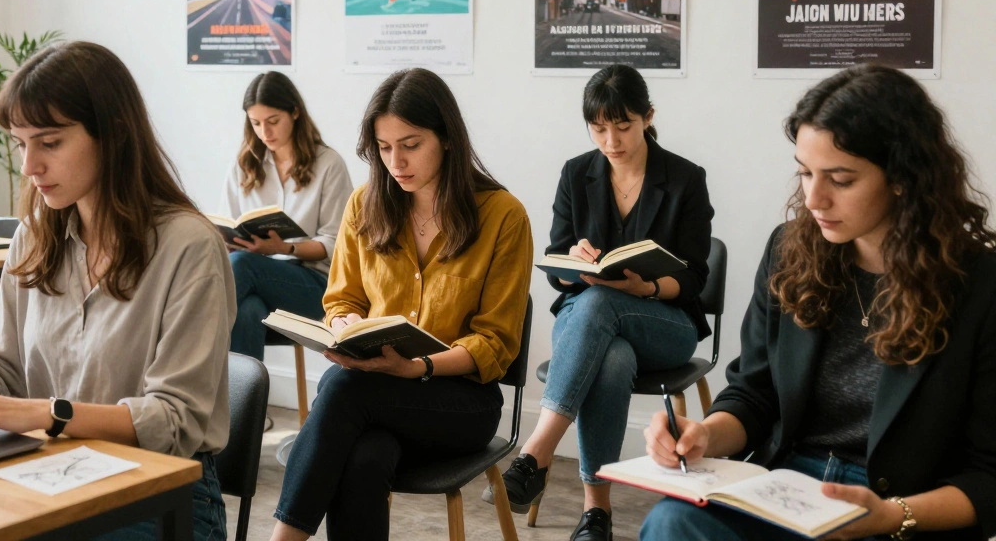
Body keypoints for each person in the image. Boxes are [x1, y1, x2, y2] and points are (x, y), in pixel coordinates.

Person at [0, 42, 236, 541]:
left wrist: (47, 413)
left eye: (49, 143)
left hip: (160, 493)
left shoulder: (189, 246)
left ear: (112, 135)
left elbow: (174, 420)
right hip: (48, 474)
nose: (29, 166)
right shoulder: (35, 236)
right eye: (20, 143)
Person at [641, 64, 996, 541]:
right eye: (805, 173)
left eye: (841, 180)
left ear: (903, 177)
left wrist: (892, 516)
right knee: (672, 521)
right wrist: (705, 435)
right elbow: (754, 394)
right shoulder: (790, 252)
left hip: (900, 510)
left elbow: (988, 474)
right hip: (789, 490)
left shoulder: (979, 284)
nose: (813, 199)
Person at [270, 68, 533, 541]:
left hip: (462, 402)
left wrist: (418, 368)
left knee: (344, 389)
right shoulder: (364, 204)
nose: (396, 160)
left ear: (447, 138)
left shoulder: (503, 216)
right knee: (366, 456)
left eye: (410, 145)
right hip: (378, 396)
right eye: (384, 147)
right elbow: (343, 297)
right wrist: (347, 323)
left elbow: (495, 343)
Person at [483, 64, 714, 541]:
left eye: (624, 126)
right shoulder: (576, 174)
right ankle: (596, 513)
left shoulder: (686, 178)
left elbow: (694, 279)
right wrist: (573, 260)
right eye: (599, 128)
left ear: (648, 116)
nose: (611, 140)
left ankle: (536, 454)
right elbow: (557, 266)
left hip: (665, 322)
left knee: (602, 304)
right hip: (590, 323)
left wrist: (646, 288)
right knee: (611, 357)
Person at [221, 71, 352, 362]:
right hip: (253, 279)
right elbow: (228, 227)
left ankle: (193, 330)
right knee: (249, 309)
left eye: (273, 121)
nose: (265, 132)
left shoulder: (328, 164)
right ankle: (244, 407)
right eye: (256, 124)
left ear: (294, 112)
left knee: (243, 265)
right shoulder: (243, 166)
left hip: (312, 285)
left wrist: (284, 248)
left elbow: (336, 244)